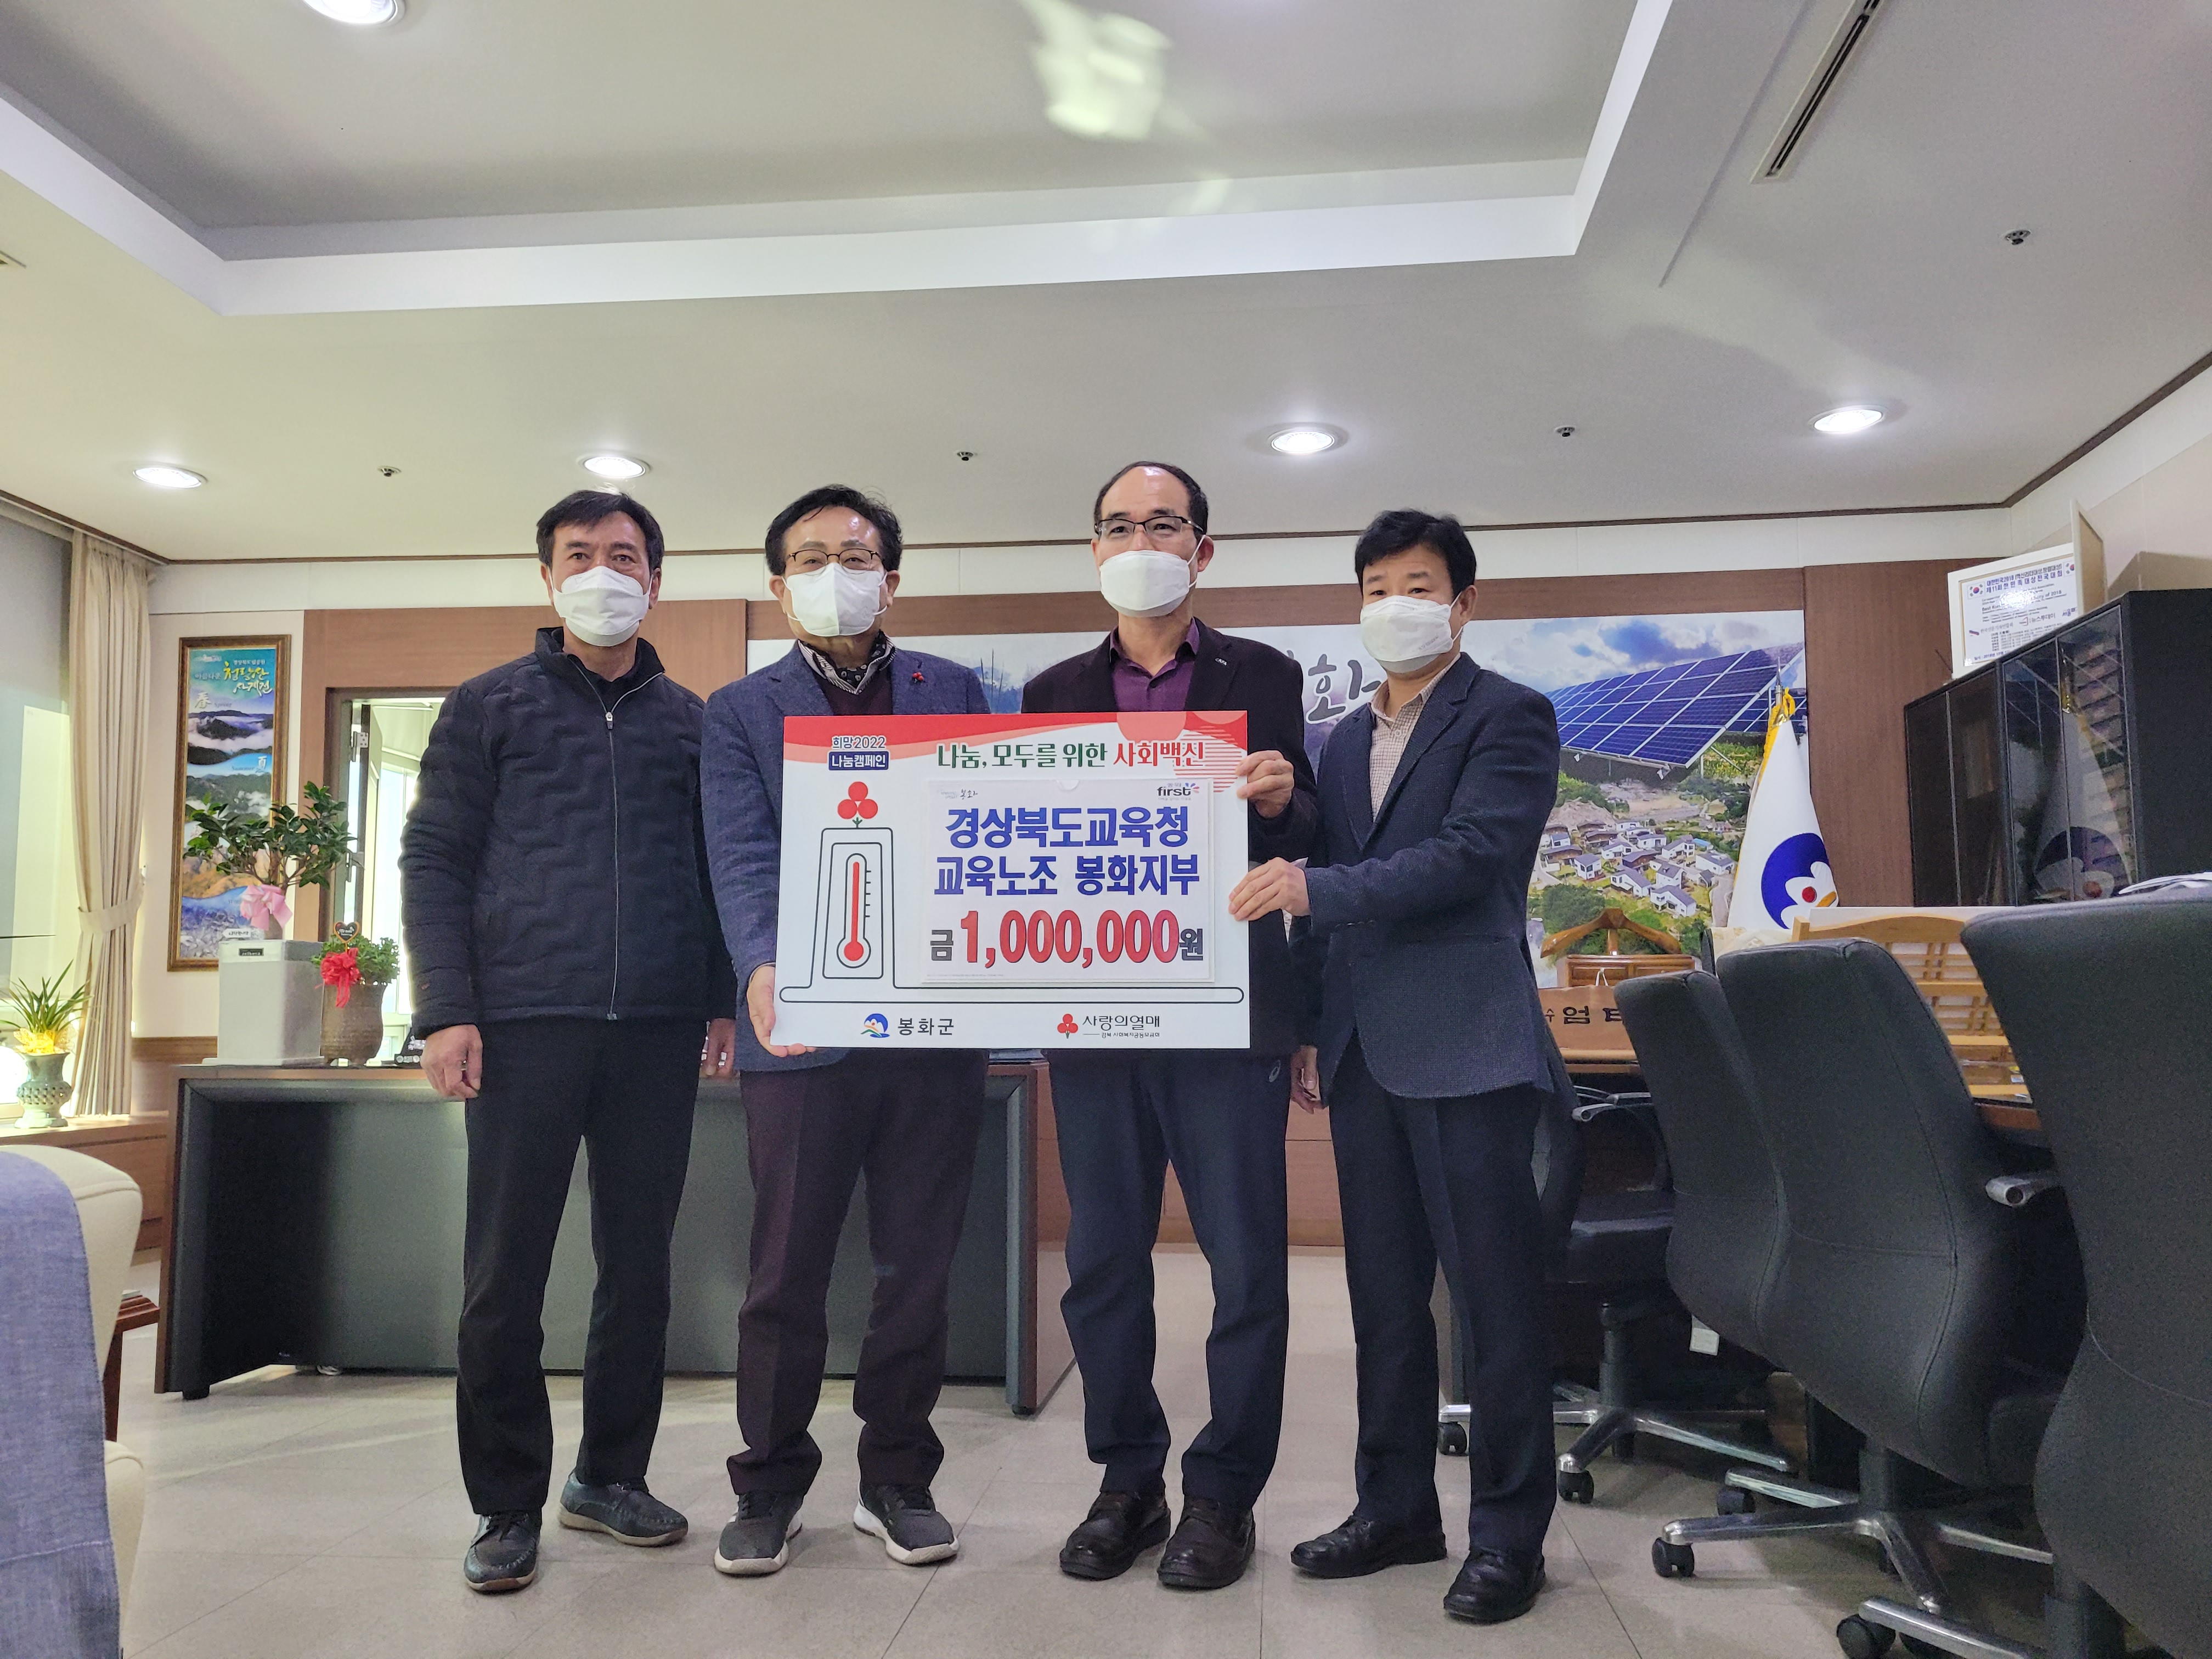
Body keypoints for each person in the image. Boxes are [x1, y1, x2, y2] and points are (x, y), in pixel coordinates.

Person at [1229, 509, 1570, 1626]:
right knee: (1382, 1302)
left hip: (1469, 1046)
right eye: (1375, 587)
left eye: (1416, 586)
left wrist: (1316, 888)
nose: (1394, 606)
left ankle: (1508, 1536)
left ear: (1462, 604)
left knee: (1492, 1305)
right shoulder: (1337, 741)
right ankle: (1396, 1510)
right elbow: (1326, 875)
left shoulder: (1509, 715)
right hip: (1363, 1050)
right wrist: (1309, 1021)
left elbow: (1472, 858)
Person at [402, 489, 739, 1595]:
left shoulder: (693, 721)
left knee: (639, 1271)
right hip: (523, 1025)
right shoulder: (487, 706)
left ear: (656, 581)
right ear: (548, 577)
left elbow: (718, 871)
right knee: (504, 1276)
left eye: (625, 556)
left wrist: (721, 999)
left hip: (656, 1030)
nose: (604, 573)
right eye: (580, 555)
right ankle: (506, 1502)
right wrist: (446, 1007)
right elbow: (435, 860)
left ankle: (609, 1477)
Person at [1022, 461, 1318, 1591]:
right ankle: (1128, 1481)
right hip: (1094, 1015)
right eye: (1119, 526)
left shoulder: (1264, 674)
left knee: (1245, 1267)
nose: (1140, 542)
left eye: (1163, 524)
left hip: (1227, 1013)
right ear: (1093, 549)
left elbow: (1311, 831)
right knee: (1101, 1261)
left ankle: (1225, 1495)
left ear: (1203, 547)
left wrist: (1284, 800)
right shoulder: (1050, 691)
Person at [700, 484, 993, 1578]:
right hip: (801, 1028)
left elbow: (985, 839)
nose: (837, 574)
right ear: (780, 587)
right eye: (813, 558)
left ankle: (898, 1479)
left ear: (892, 580)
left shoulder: (952, 691)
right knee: (785, 1270)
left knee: (918, 1267)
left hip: (931, 1029)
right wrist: (760, 964)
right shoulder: (741, 710)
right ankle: (768, 1483)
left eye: (857, 556)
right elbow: (739, 853)